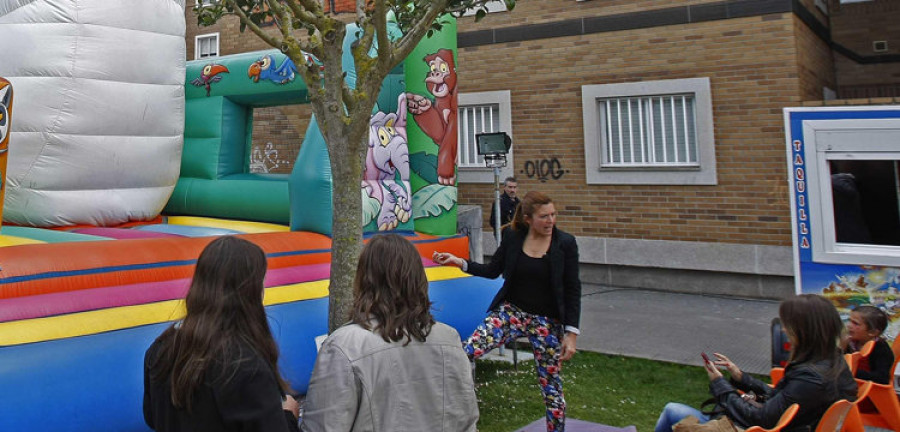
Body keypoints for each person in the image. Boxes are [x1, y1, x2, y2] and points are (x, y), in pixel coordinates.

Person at [433, 191, 581, 432]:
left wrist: (571, 333)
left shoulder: (565, 244)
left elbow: (572, 289)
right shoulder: (512, 237)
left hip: (546, 322)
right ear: (528, 218)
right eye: (544, 217)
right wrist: (458, 262)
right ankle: (447, 413)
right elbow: (493, 270)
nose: (550, 221)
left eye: (553, 215)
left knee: (551, 386)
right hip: (512, 313)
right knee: (465, 352)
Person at [301, 233, 478, 432]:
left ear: (363, 279)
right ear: (418, 278)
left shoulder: (344, 346)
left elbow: (323, 426)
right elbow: (467, 420)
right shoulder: (449, 339)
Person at [143, 236, 300, 432]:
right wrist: (288, 417)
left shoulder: (160, 349)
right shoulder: (245, 367)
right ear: (250, 293)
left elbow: (152, 416)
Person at [654, 294, 857, 432]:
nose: (785, 331)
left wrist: (719, 383)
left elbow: (759, 420)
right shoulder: (832, 362)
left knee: (673, 410)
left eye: (788, 325)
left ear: (804, 330)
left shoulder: (810, 378)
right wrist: (741, 378)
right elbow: (784, 400)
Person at [843, 305, 894, 385]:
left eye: (855, 323)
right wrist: (842, 347)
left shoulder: (881, 349)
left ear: (873, 332)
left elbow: (882, 378)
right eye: (850, 321)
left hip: (870, 391)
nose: (849, 325)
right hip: (851, 385)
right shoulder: (852, 342)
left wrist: (852, 370)